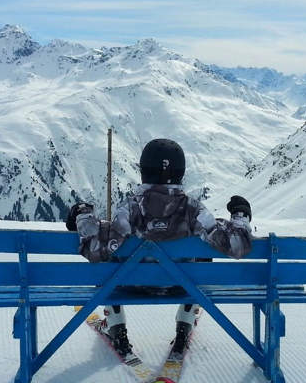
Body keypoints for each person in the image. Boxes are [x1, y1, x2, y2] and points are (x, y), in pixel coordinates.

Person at [65, 138, 253, 357]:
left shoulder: (129, 208)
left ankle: (116, 326)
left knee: (111, 258)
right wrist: (241, 214)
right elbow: (237, 245)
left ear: (143, 171)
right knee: (203, 255)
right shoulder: (193, 210)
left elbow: (96, 249)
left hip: (130, 285)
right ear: (181, 173)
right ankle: (185, 322)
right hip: (181, 286)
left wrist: (82, 214)